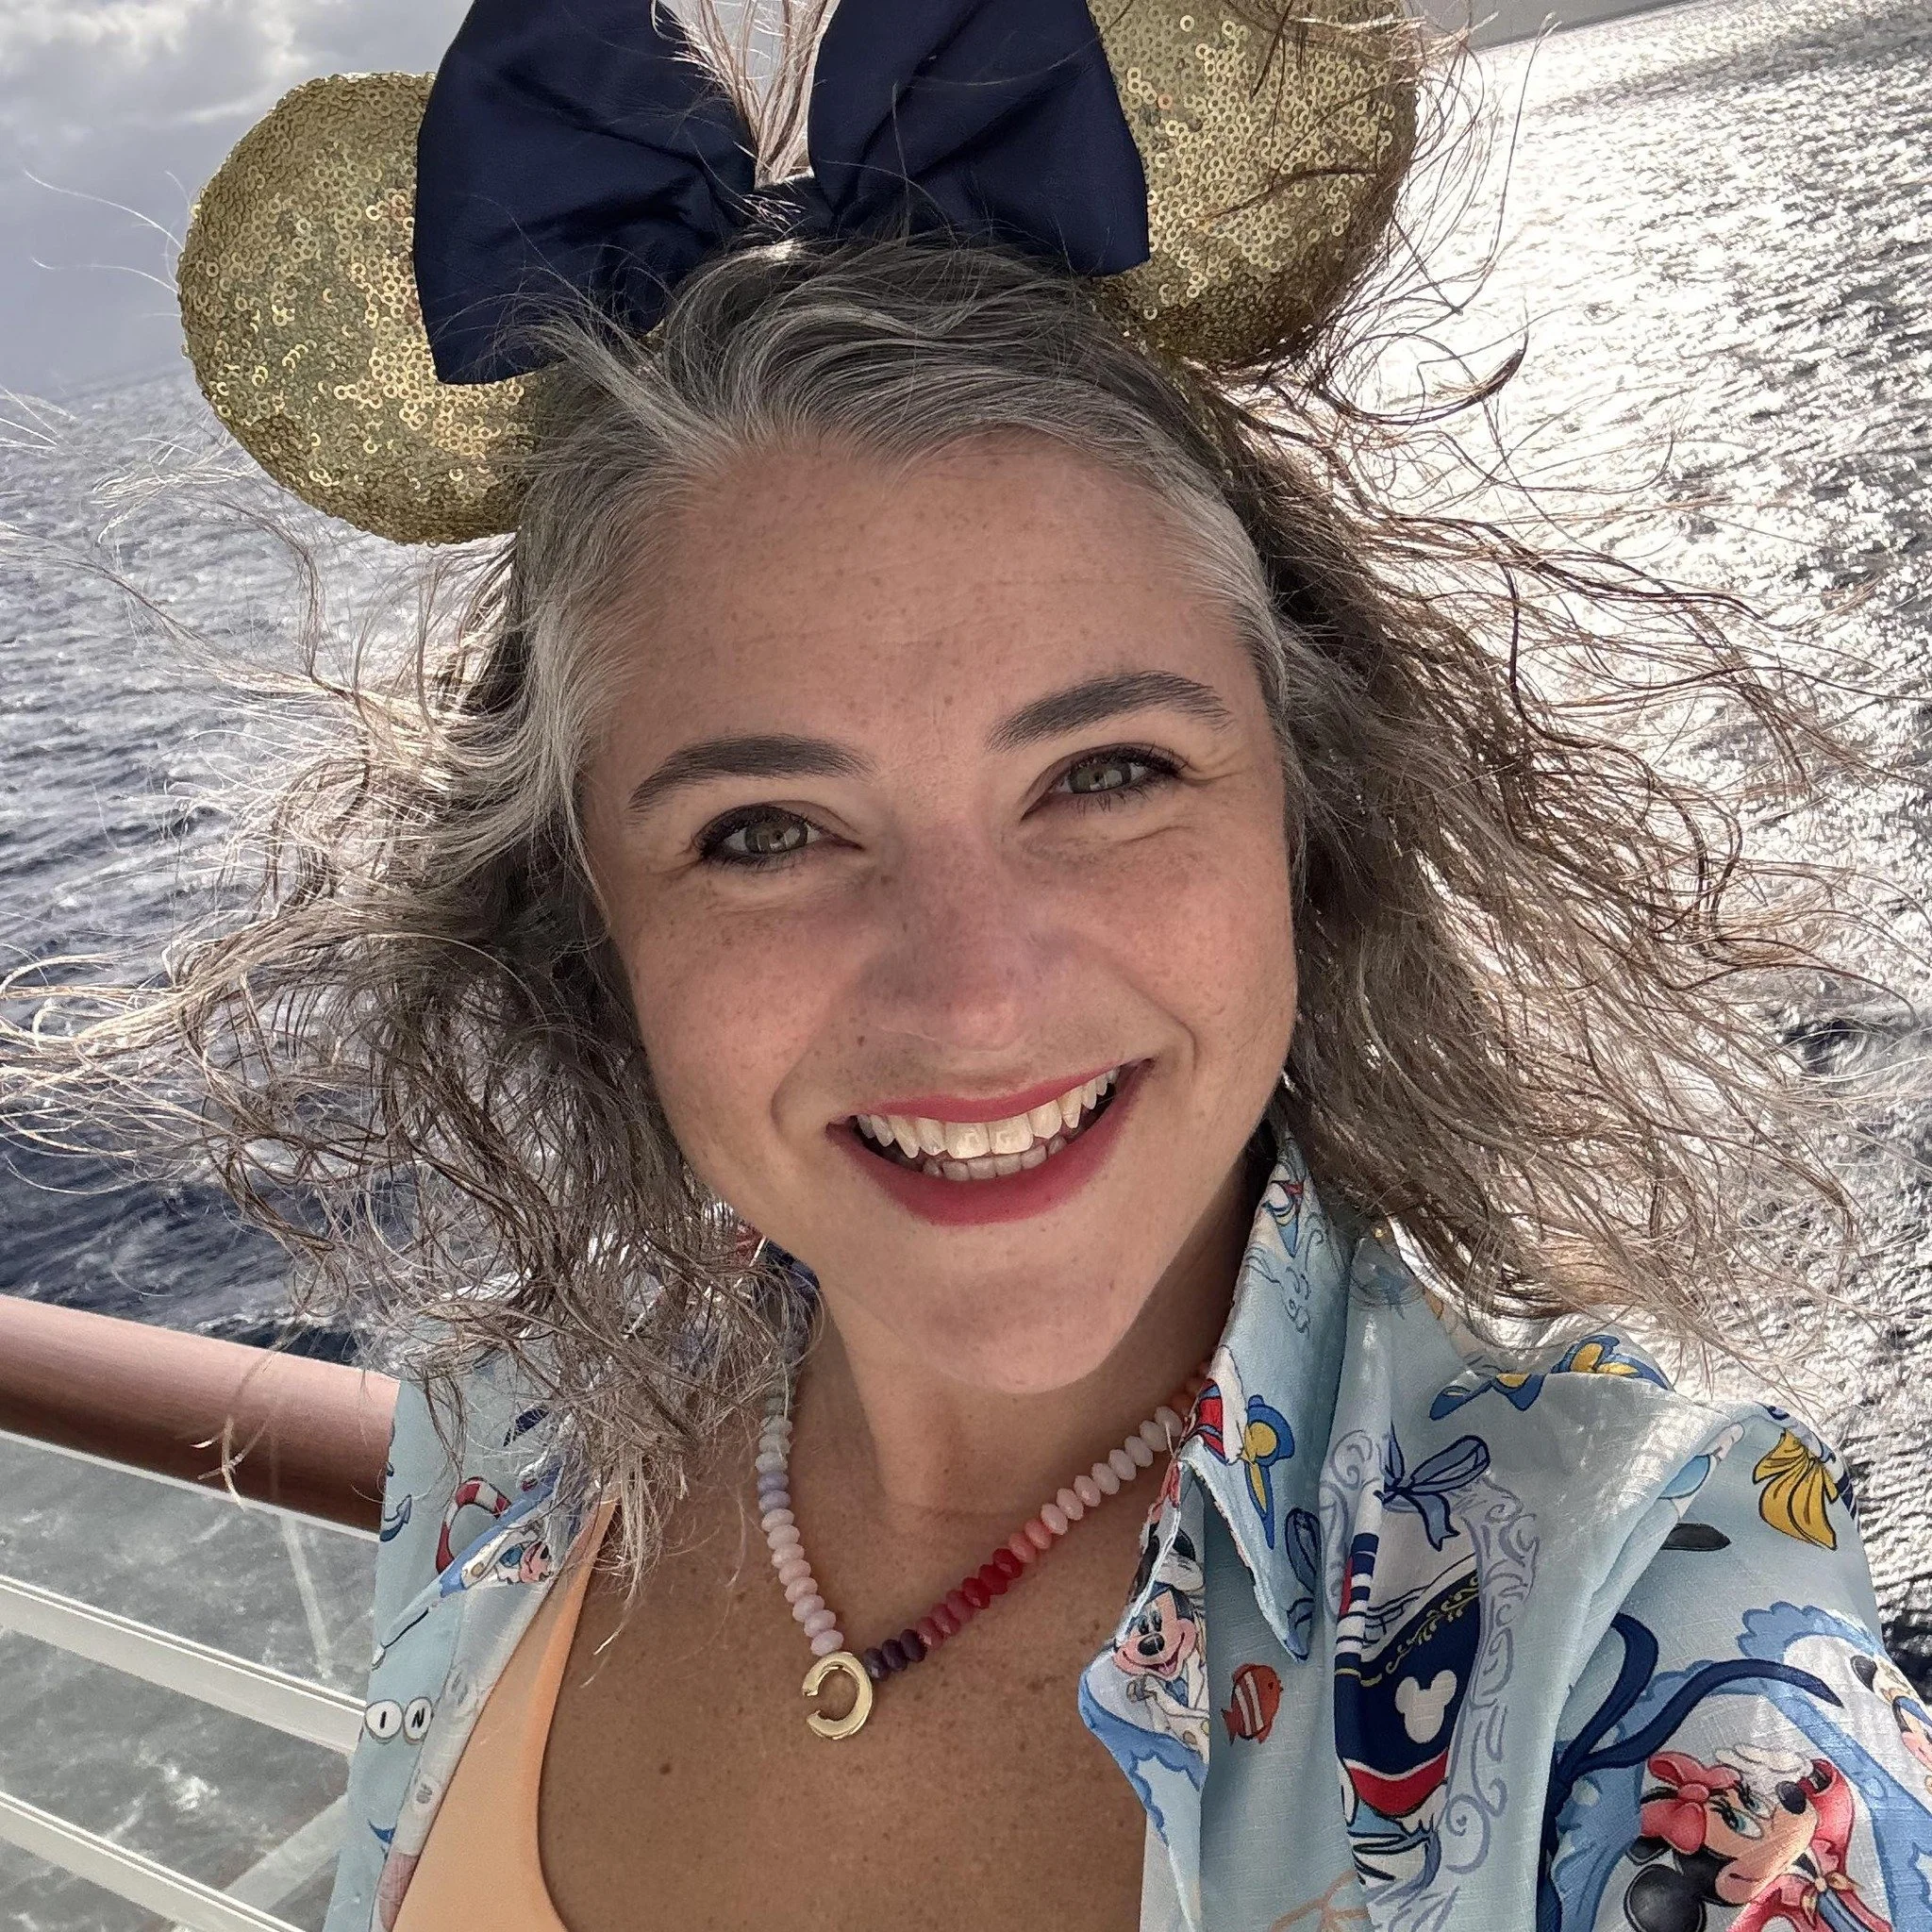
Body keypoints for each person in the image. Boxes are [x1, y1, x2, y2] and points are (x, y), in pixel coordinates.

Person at [6, 0, 1927, 1926]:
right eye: (764, 832)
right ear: (588, 916)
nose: (972, 994)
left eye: (1105, 774)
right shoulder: (504, 1449)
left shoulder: (1639, 1633)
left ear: (1305, 808)